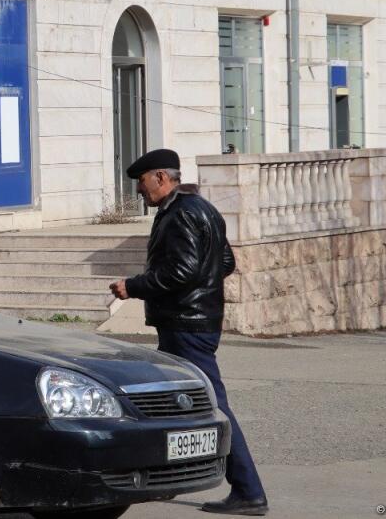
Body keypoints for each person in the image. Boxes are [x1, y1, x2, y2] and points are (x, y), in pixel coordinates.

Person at [109, 149, 268, 516]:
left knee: (211, 407)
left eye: (143, 182)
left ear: (161, 178)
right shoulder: (202, 209)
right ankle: (173, 478)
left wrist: (132, 286)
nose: (141, 191)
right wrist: (205, 286)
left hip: (186, 326)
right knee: (178, 405)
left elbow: (182, 271)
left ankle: (249, 490)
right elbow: (223, 262)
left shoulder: (180, 214)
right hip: (196, 321)